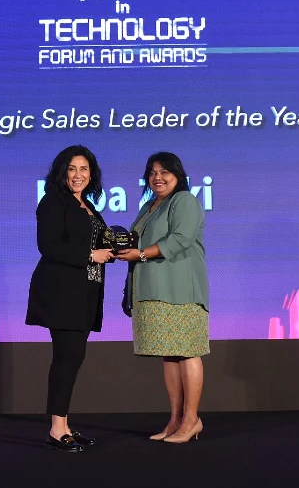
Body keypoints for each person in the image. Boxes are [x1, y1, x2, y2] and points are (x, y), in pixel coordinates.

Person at [116, 151, 209, 443]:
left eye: (164, 171)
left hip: (180, 289)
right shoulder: (150, 206)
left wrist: (141, 253)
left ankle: (192, 420)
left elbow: (180, 239)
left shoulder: (185, 200)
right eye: (153, 172)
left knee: (187, 351)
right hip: (152, 289)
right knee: (169, 355)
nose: (158, 177)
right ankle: (175, 419)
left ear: (178, 175)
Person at [26, 145, 113, 452]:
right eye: (73, 169)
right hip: (63, 291)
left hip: (86, 291)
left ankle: (63, 424)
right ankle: (56, 428)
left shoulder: (87, 204)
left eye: (84, 169)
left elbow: (94, 245)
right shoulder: (53, 201)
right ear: (62, 172)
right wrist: (91, 254)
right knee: (66, 359)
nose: (78, 175)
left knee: (73, 358)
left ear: (92, 174)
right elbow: (48, 246)